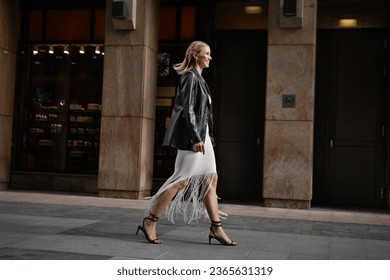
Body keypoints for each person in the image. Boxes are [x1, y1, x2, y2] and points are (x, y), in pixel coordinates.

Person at [137, 41, 236, 246]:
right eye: (206, 54)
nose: (210, 57)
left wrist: (205, 137)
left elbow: (203, 113)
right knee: (182, 180)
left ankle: (216, 227)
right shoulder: (190, 77)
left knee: (211, 180)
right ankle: (150, 220)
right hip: (196, 137)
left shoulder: (200, 79)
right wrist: (196, 137)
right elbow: (187, 109)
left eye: (210, 54)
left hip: (203, 136)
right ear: (194, 55)